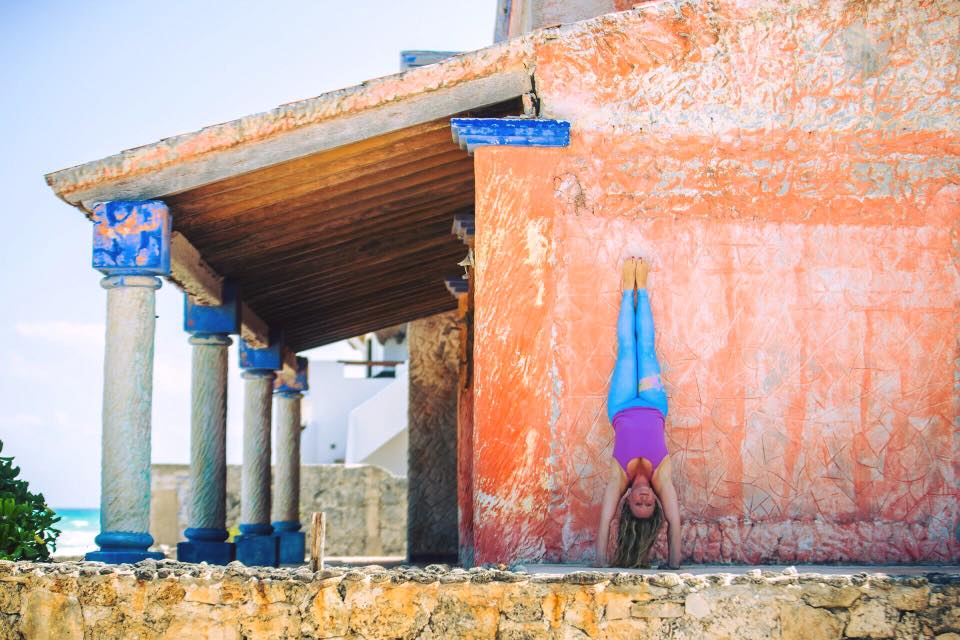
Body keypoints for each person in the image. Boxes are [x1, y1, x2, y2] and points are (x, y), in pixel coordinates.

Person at [596, 257, 681, 569]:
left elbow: (605, 524)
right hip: (653, 402)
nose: (644, 498)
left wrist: (600, 564)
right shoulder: (664, 478)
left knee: (626, 348)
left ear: (627, 502)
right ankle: (641, 288)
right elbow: (674, 525)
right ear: (656, 502)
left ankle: (625, 290)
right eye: (649, 503)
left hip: (620, 405)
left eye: (638, 503)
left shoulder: (619, 478)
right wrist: (674, 566)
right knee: (644, 348)